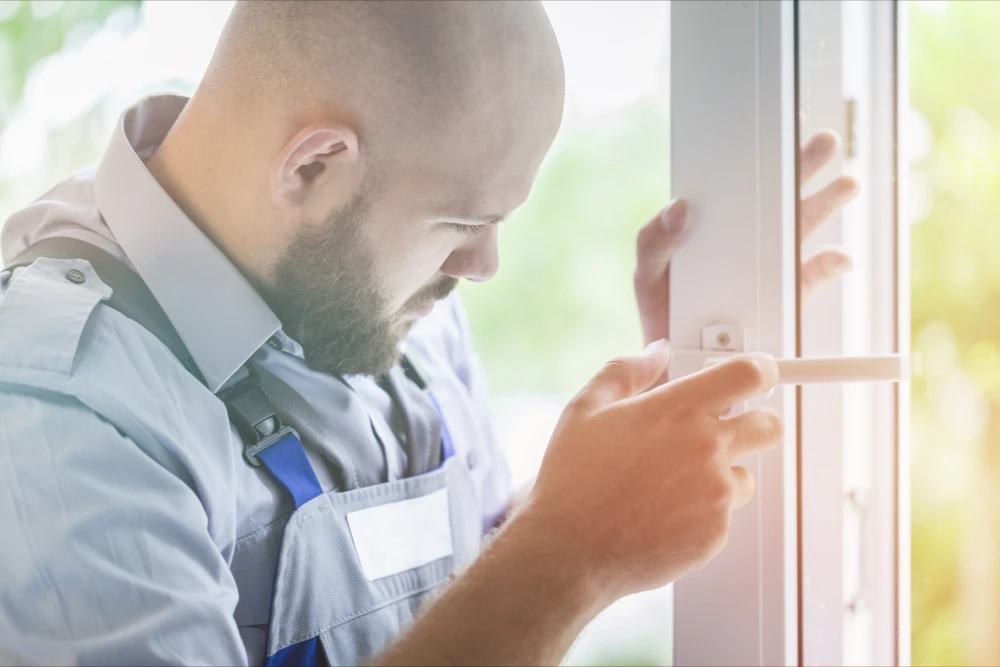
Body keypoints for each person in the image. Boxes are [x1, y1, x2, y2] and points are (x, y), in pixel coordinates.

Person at [0, 2, 858, 665]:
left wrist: (633, 439)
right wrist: (573, 554)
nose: (484, 265)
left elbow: (474, 588)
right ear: (312, 166)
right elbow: (539, 571)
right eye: (462, 221)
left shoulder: (367, 298)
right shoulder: (55, 413)